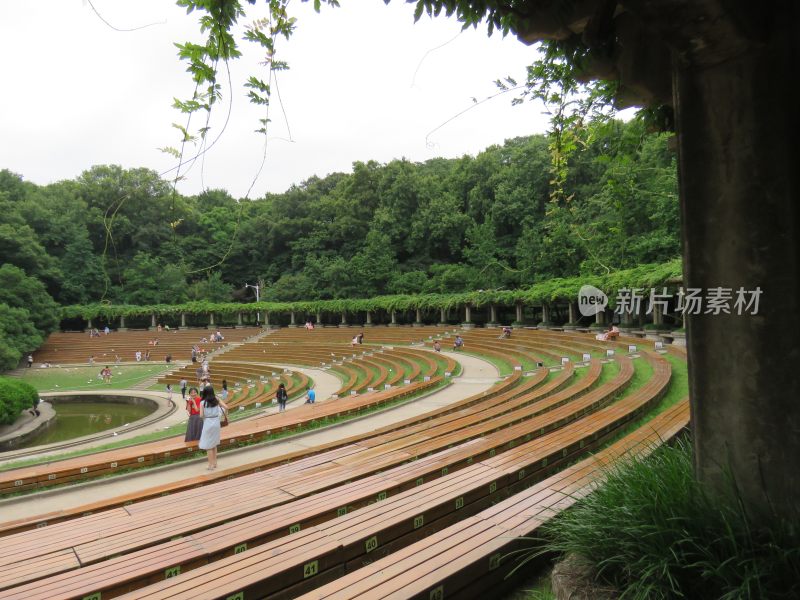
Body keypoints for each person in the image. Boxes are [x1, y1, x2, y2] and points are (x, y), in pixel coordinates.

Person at [199, 387, 228, 470]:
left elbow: (201, 415)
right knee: (214, 443)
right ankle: (215, 463)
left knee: (208, 445)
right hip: (216, 422)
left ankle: (210, 465)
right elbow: (226, 407)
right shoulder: (217, 400)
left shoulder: (202, 402)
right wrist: (223, 415)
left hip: (208, 422)